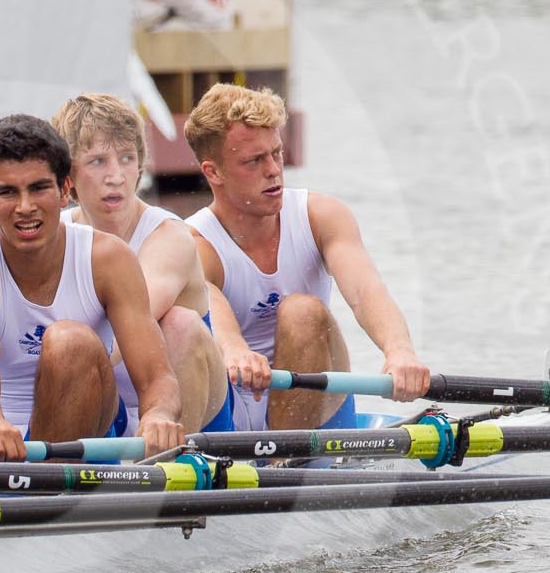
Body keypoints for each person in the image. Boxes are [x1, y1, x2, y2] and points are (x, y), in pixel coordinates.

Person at [182, 84, 430, 432]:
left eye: (277, 153)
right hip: (231, 408)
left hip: (315, 405)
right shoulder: (193, 242)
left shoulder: (321, 216)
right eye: (254, 161)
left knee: (303, 311)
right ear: (213, 173)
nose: (273, 171)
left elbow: (365, 292)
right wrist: (236, 350)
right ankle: (273, 467)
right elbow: (215, 309)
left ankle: (283, 463)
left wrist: (399, 351)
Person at [0, 115, 186, 462]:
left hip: (91, 427)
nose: (25, 208)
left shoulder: (108, 259)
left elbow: (158, 378)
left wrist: (159, 413)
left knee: (70, 341)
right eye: (8, 192)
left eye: (39, 188)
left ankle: (43, 492)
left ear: (65, 190)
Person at [50, 93, 232, 433]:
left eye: (127, 158)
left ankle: (178, 462)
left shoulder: (168, 237)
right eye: (98, 161)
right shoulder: (55, 235)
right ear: (68, 174)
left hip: (193, 412)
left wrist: (65, 367)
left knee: (180, 322)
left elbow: (131, 324)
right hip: (110, 409)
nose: (116, 176)